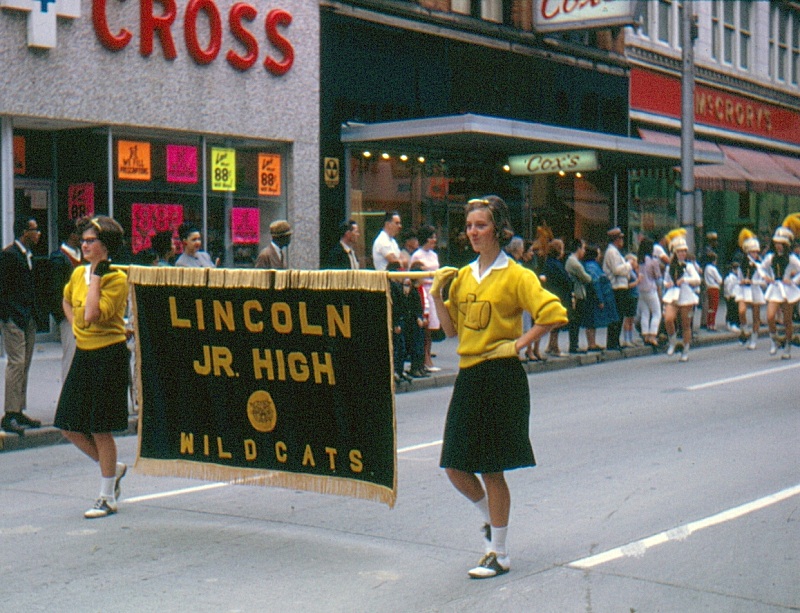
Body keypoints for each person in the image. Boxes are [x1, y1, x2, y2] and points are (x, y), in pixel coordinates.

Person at [430, 195, 567, 579]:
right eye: (469, 226)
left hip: (501, 376)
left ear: (499, 230)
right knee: (454, 465)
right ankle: (491, 523)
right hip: (469, 374)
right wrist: (437, 296)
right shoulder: (464, 275)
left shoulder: (517, 275)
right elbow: (451, 330)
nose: (473, 232)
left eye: (481, 225)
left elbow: (553, 313)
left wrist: (519, 344)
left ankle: (499, 553)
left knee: (491, 469)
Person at [54, 216, 129, 518]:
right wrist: (74, 326)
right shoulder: (77, 274)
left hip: (108, 356)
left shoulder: (116, 279)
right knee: (68, 425)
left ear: (105, 245)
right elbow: (67, 302)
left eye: (91, 241)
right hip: (84, 354)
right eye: (83, 240)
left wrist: (97, 277)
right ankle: (114, 469)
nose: (84, 245)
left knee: (100, 428)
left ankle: (107, 496)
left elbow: (96, 313)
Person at [0, 217, 43, 435]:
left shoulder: (28, 256)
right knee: (16, 363)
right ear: (24, 233)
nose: (39, 234)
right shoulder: (9, 255)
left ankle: (18, 410)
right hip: (14, 319)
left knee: (24, 364)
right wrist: (7, 316)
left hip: (28, 318)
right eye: (35, 230)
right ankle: (9, 414)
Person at [48, 218, 83, 384]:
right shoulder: (58, 259)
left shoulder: (82, 256)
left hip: (84, 312)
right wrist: (62, 315)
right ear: (72, 235)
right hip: (68, 315)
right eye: (79, 233)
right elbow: (55, 291)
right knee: (70, 355)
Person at [763, 218, 800, 359]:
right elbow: (761, 268)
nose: (778, 246)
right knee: (770, 316)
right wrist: (765, 277)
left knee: (787, 320)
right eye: (776, 243)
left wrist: (792, 280)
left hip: (788, 290)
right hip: (775, 288)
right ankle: (774, 341)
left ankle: (788, 347)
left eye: (781, 243)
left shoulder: (791, 259)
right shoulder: (770, 257)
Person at [662, 229, 701, 362]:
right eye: (679, 251)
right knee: (668, 318)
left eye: (684, 251)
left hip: (686, 296)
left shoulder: (689, 266)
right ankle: (672, 341)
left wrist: (685, 280)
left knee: (686, 325)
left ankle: (685, 349)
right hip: (673, 295)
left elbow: (697, 280)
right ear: (674, 252)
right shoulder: (669, 267)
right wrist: (666, 284)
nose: (683, 253)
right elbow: (666, 280)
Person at [410, 225, 441, 372]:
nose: (434, 240)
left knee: (431, 327)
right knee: (424, 327)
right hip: (423, 289)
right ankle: (423, 359)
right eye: (431, 237)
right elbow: (413, 275)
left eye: (435, 237)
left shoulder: (434, 255)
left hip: (433, 291)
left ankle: (429, 356)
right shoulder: (417, 255)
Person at [734, 229, 767, 350]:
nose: (754, 254)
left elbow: (764, 282)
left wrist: (753, 281)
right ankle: (745, 331)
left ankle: (754, 338)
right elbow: (738, 278)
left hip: (755, 290)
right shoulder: (742, 264)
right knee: (741, 311)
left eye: (756, 252)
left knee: (756, 316)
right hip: (744, 290)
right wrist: (741, 281)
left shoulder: (760, 265)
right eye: (752, 252)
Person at [581, 244, 618, 351]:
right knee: (591, 321)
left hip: (595, 297)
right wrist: (600, 299)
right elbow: (595, 283)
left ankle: (593, 343)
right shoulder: (592, 266)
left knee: (592, 321)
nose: (600, 255)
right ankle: (591, 344)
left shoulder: (592, 265)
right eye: (598, 253)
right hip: (594, 298)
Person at [602, 227, 632, 351]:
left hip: (621, 286)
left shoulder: (615, 252)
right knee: (616, 315)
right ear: (616, 239)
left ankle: (615, 341)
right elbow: (616, 270)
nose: (622, 240)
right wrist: (628, 265)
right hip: (616, 287)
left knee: (619, 315)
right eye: (620, 238)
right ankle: (612, 342)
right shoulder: (612, 252)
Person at [542, 239, 570, 356]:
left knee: (555, 322)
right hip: (557, 294)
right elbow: (563, 279)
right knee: (557, 321)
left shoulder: (548, 262)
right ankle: (555, 347)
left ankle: (551, 345)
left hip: (553, 293)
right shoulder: (555, 264)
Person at [564, 238, 591, 354]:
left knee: (576, 321)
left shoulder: (572, 261)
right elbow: (587, 278)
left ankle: (575, 344)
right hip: (577, 294)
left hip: (577, 293)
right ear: (578, 248)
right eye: (583, 248)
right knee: (575, 321)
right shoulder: (574, 263)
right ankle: (574, 345)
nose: (584, 251)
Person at [635, 236, 662, 347]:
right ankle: (652, 335)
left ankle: (645, 335)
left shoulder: (638, 260)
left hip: (640, 289)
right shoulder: (653, 261)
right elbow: (658, 277)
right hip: (651, 288)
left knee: (645, 312)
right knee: (657, 313)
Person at [703, 252, 723, 332]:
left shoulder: (706, 268)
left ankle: (709, 323)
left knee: (710, 307)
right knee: (714, 307)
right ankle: (712, 324)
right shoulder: (713, 269)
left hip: (708, 287)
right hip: (715, 288)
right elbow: (720, 280)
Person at [723, 261, 742, 332]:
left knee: (734, 310)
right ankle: (732, 324)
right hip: (732, 295)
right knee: (732, 311)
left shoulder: (736, 277)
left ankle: (731, 323)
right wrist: (728, 295)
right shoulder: (731, 278)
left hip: (736, 295)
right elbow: (728, 287)